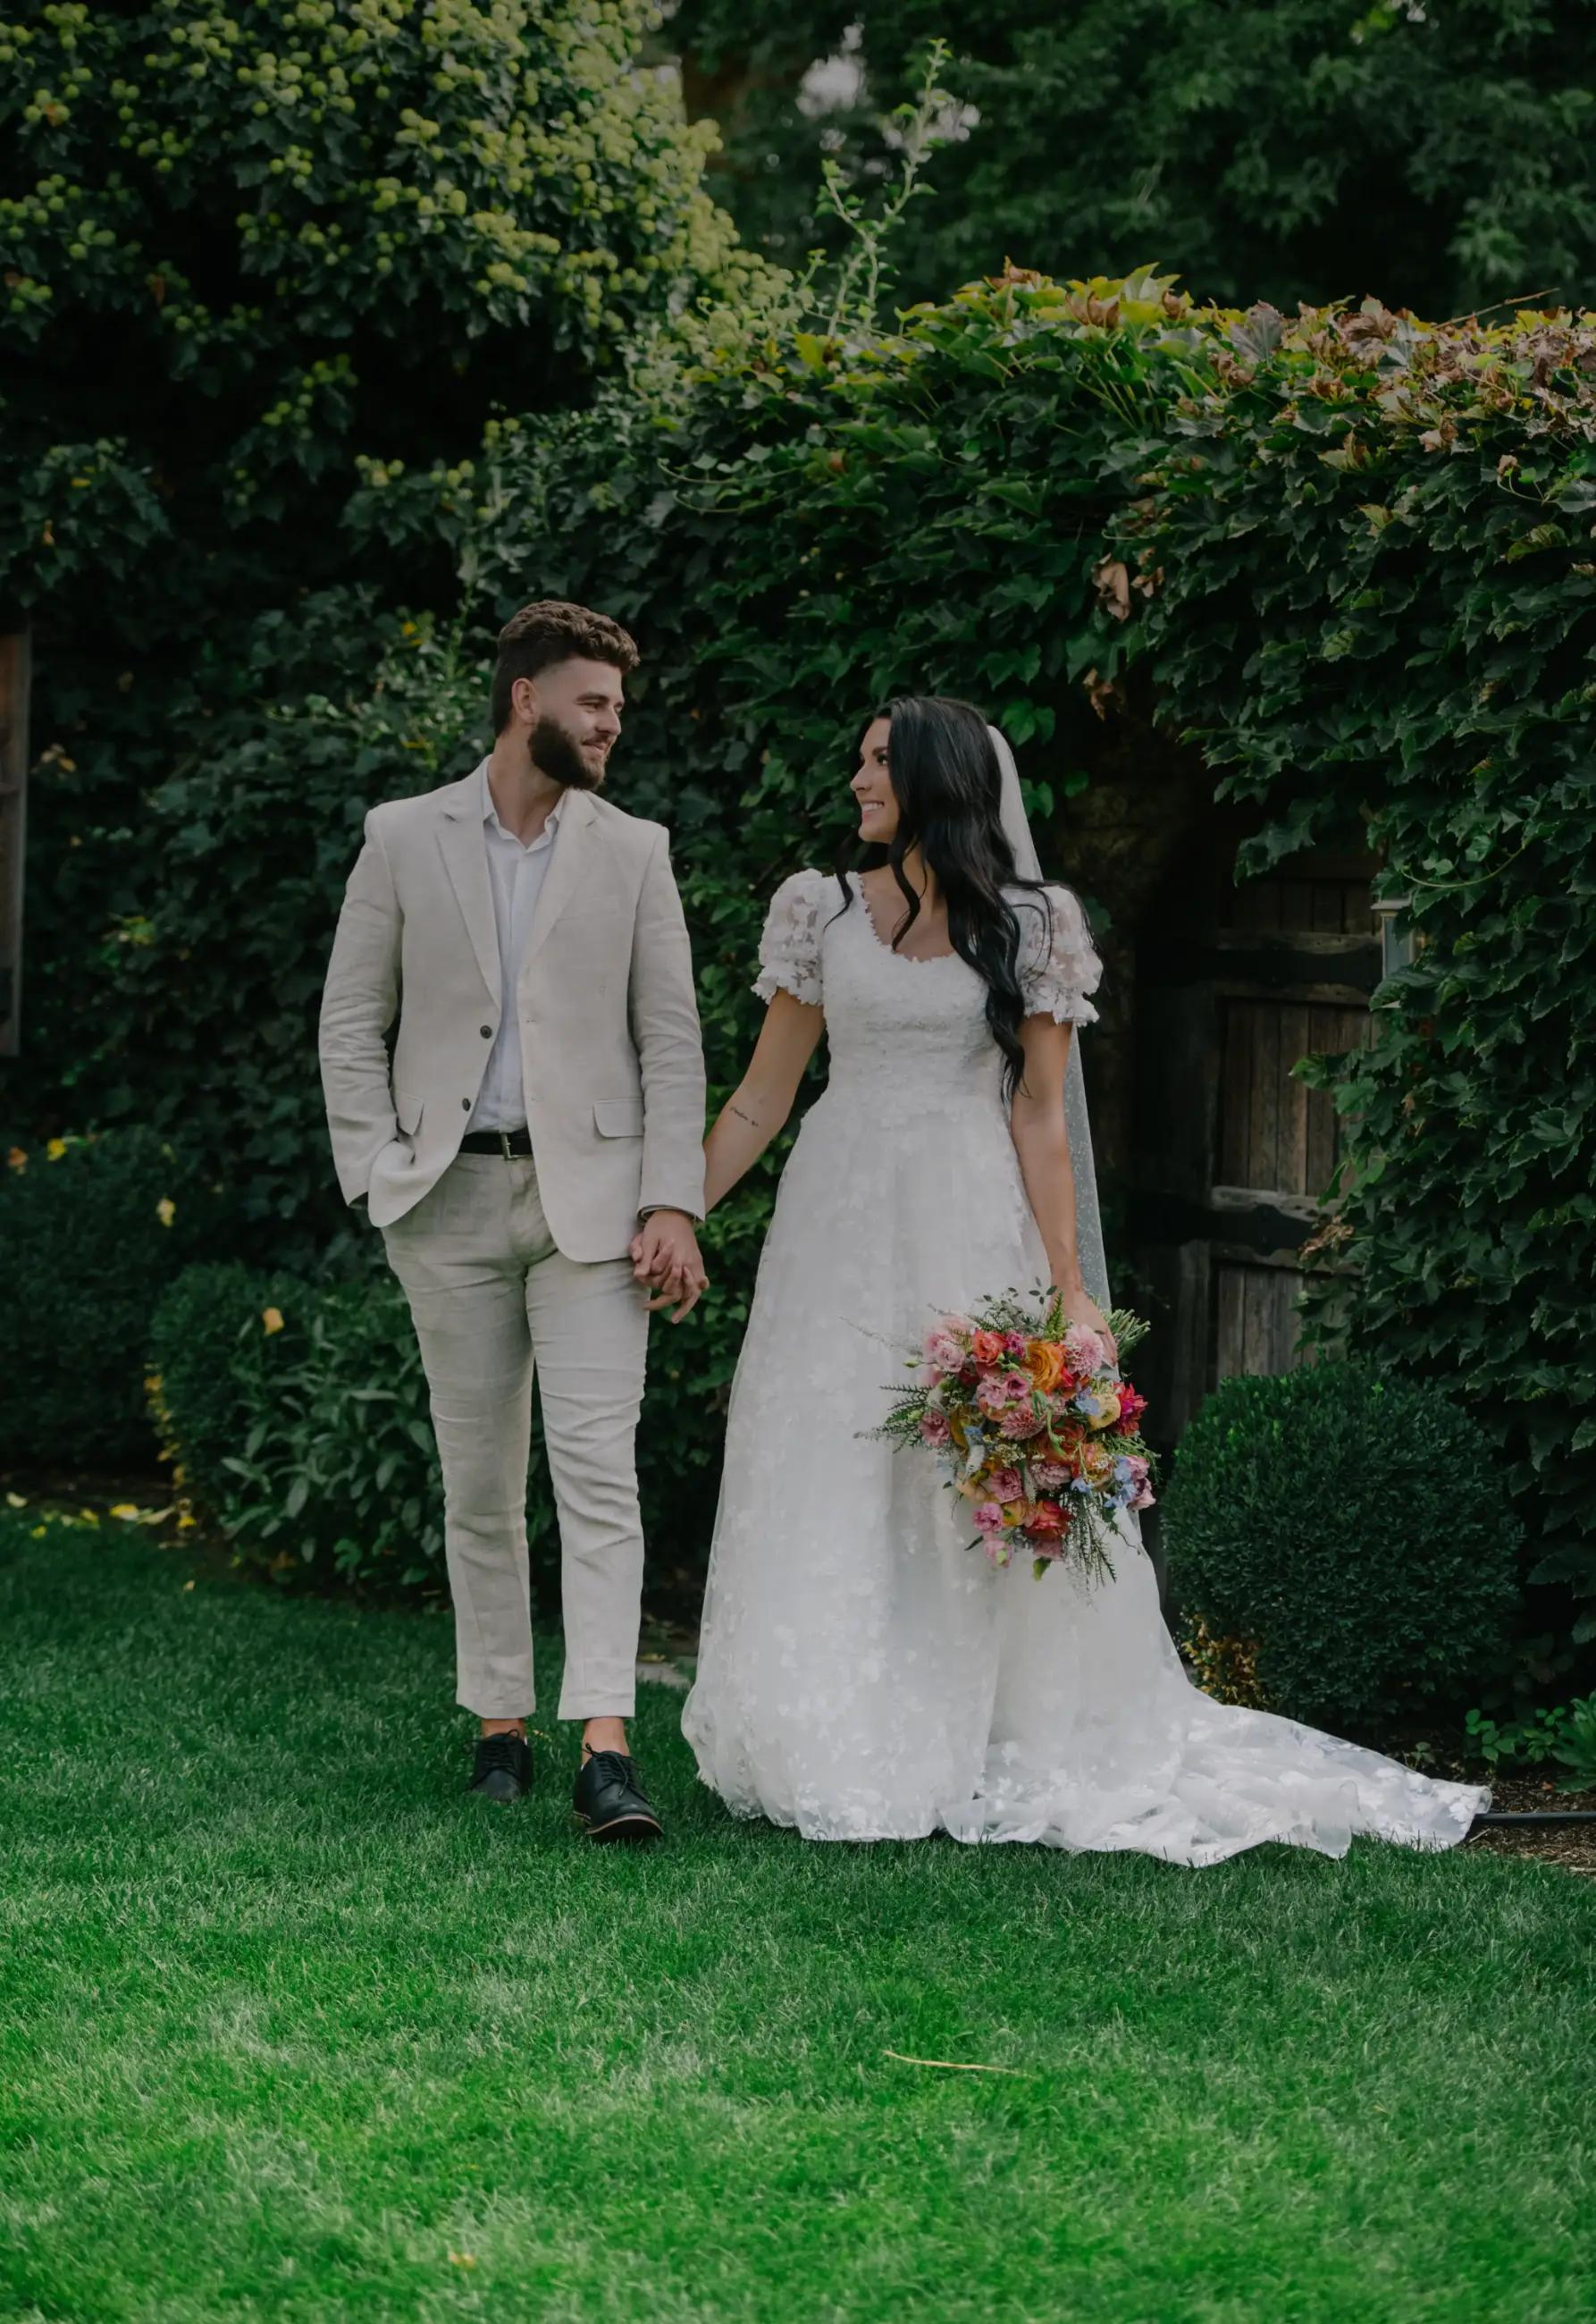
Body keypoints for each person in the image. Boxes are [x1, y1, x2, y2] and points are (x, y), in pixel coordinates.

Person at [675, 695, 1487, 1862]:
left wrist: (1067, 1288)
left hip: (966, 1214)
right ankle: (829, 1717)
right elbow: (761, 1095)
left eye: (874, 764)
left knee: (960, 1465)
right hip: (835, 1222)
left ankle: (982, 1716)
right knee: (823, 1448)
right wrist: (673, 1213)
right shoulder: (821, 913)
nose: (854, 780)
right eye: (854, 759)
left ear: (935, 782)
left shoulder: (1030, 923)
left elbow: (1041, 1110)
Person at [319, 599, 709, 1840]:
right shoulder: (400, 835)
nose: (610, 725)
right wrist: (376, 1170)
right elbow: (347, 1023)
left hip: (592, 1208)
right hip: (444, 1199)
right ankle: (499, 1721)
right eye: (593, 703)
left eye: (616, 708)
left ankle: (603, 1742)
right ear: (526, 697)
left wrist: (671, 1200)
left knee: (598, 1471)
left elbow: (670, 1038)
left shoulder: (634, 850)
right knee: (479, 1482)